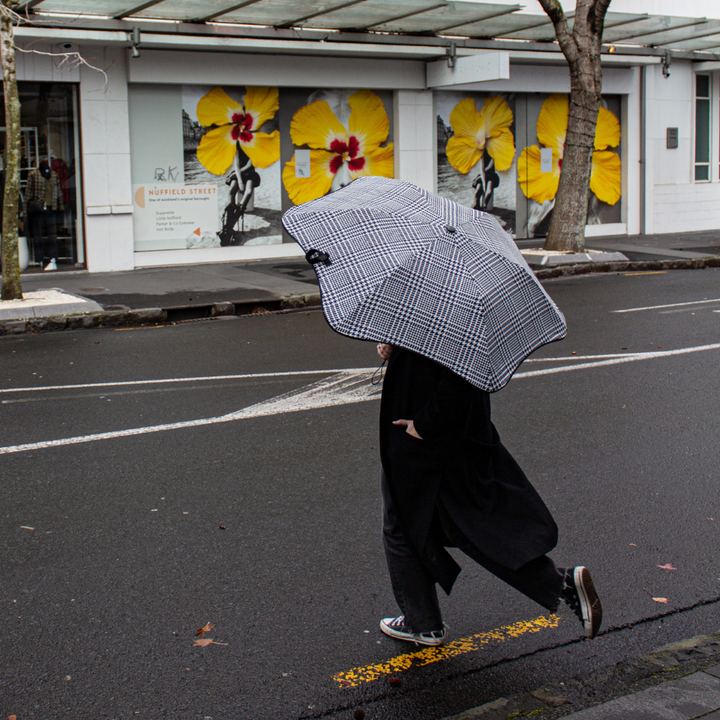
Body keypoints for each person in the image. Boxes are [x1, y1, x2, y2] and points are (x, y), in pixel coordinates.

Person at [376, 342, 602, 647]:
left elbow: (457, 378)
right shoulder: (455, 309)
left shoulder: (449, 313)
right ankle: (424, 622)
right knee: (447, 524)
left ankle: (424, 624)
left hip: (427, 439)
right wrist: (397, 348)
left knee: (403, 524)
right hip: (451, 436)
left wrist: (424, 425)